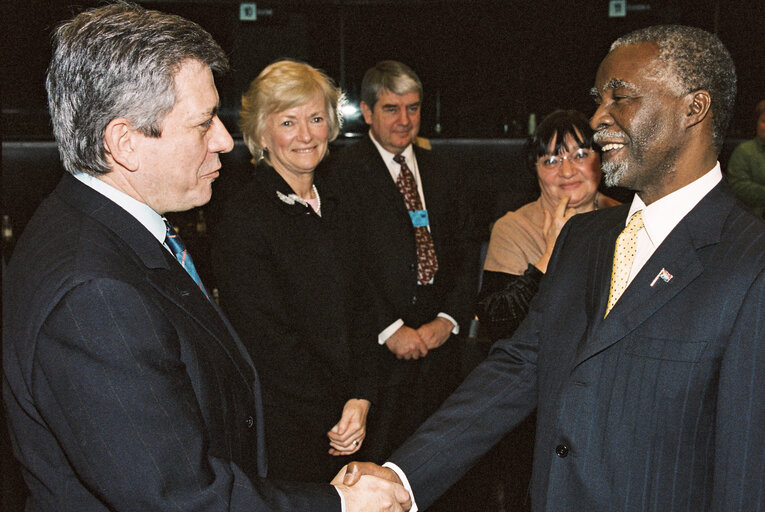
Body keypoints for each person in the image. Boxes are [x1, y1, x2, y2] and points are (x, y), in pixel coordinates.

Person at [1, 4, 410, 511]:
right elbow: (183, 497)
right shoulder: (94, 296)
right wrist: (340, 504)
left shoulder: (97, 229)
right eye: (202, 123)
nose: (222, 139)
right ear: (125, 143)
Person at [343, 24, 765, 512]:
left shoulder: (749, 264)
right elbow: (519, 366)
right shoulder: (585, 239)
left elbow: (746, 470)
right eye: (597, 98)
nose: (598, 118)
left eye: (619, 98)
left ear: (694, 108)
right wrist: (402, 478)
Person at [211, 59, 379, 482]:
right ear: (261, 134)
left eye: (317, 118)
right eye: (288, 121)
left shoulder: (342, 204)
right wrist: (338, 410)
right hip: (287, 429)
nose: (306, 135)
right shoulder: (245, 218)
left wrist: (362, 398)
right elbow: (268, 343)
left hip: (351, 421)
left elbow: (364, 307)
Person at [326, 61, 479, 464]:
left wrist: (448, 318)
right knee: (382, 468)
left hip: (442, 352)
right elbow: (344, 265)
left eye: (413, 108)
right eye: (392, 109)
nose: (404, 120)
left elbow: (466, 250)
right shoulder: (339, 175)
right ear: (368, 110)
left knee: (445, 467)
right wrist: (389, 328)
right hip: (376, 356)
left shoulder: (445, 170)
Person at [478, 109, 620, 342]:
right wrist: (551, 253)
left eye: (581, 155)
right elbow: (497, 324)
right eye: (551, 161)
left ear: (601, 159)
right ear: (535, 169)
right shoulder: (513, 228)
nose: (567, 171)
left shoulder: (628, 218)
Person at [726, 99, 765, 217]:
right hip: (753, 218)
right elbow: (738, 187)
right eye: (764, 121)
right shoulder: (744, 151)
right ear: (756, 123)